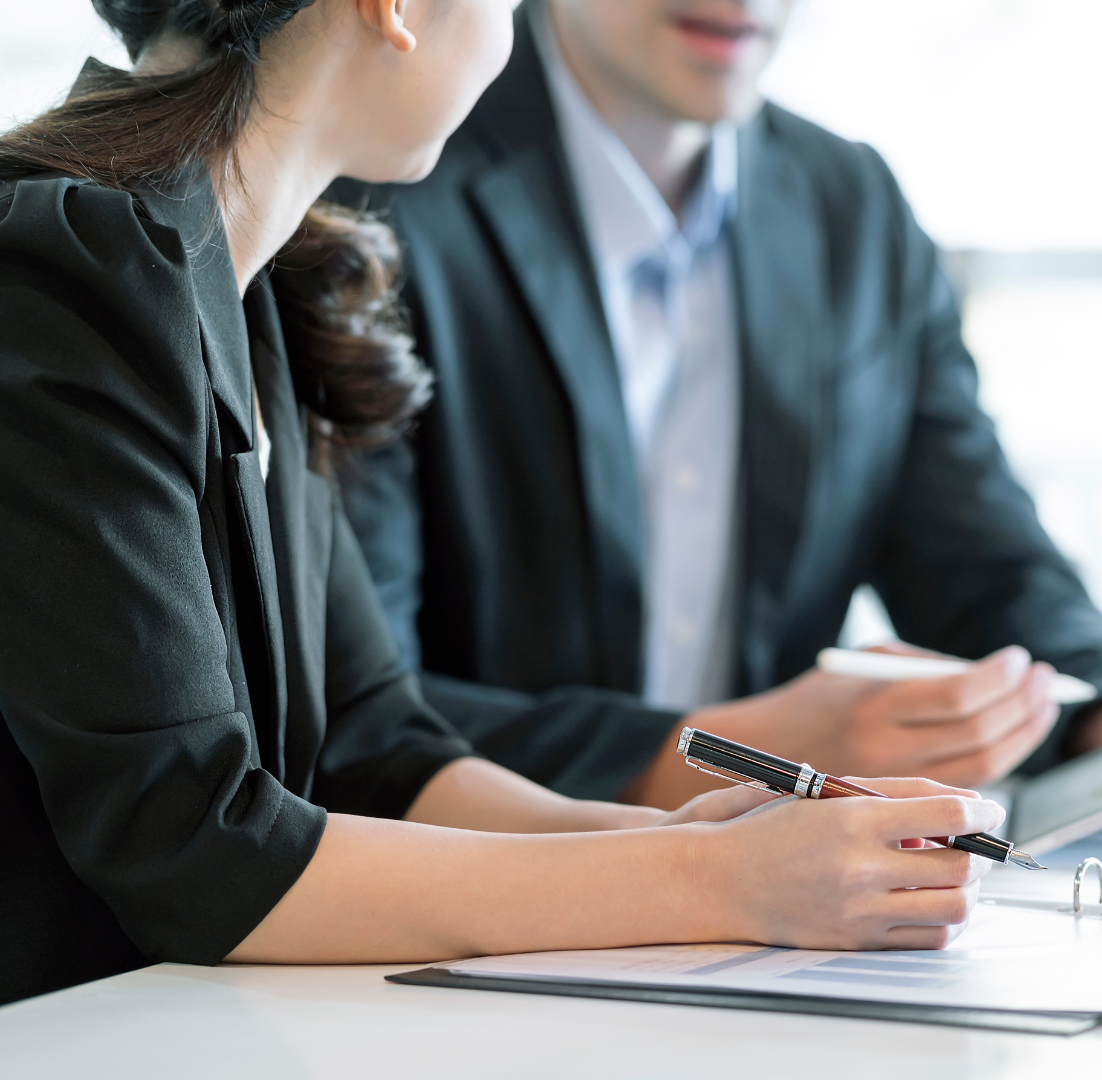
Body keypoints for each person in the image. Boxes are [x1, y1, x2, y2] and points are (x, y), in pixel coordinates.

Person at [0, 0, 996, 1006]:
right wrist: (711, 883)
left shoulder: (247, 269)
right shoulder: (67, 268)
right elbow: (193, 845)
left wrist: (691, 837)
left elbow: (373, 741)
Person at [336, 0, 1102, 811]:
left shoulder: (850, 208)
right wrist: (733, 756)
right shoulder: (385, 187)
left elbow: (980, 570)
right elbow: (352, 702)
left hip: (784, 920)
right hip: (471, 906)